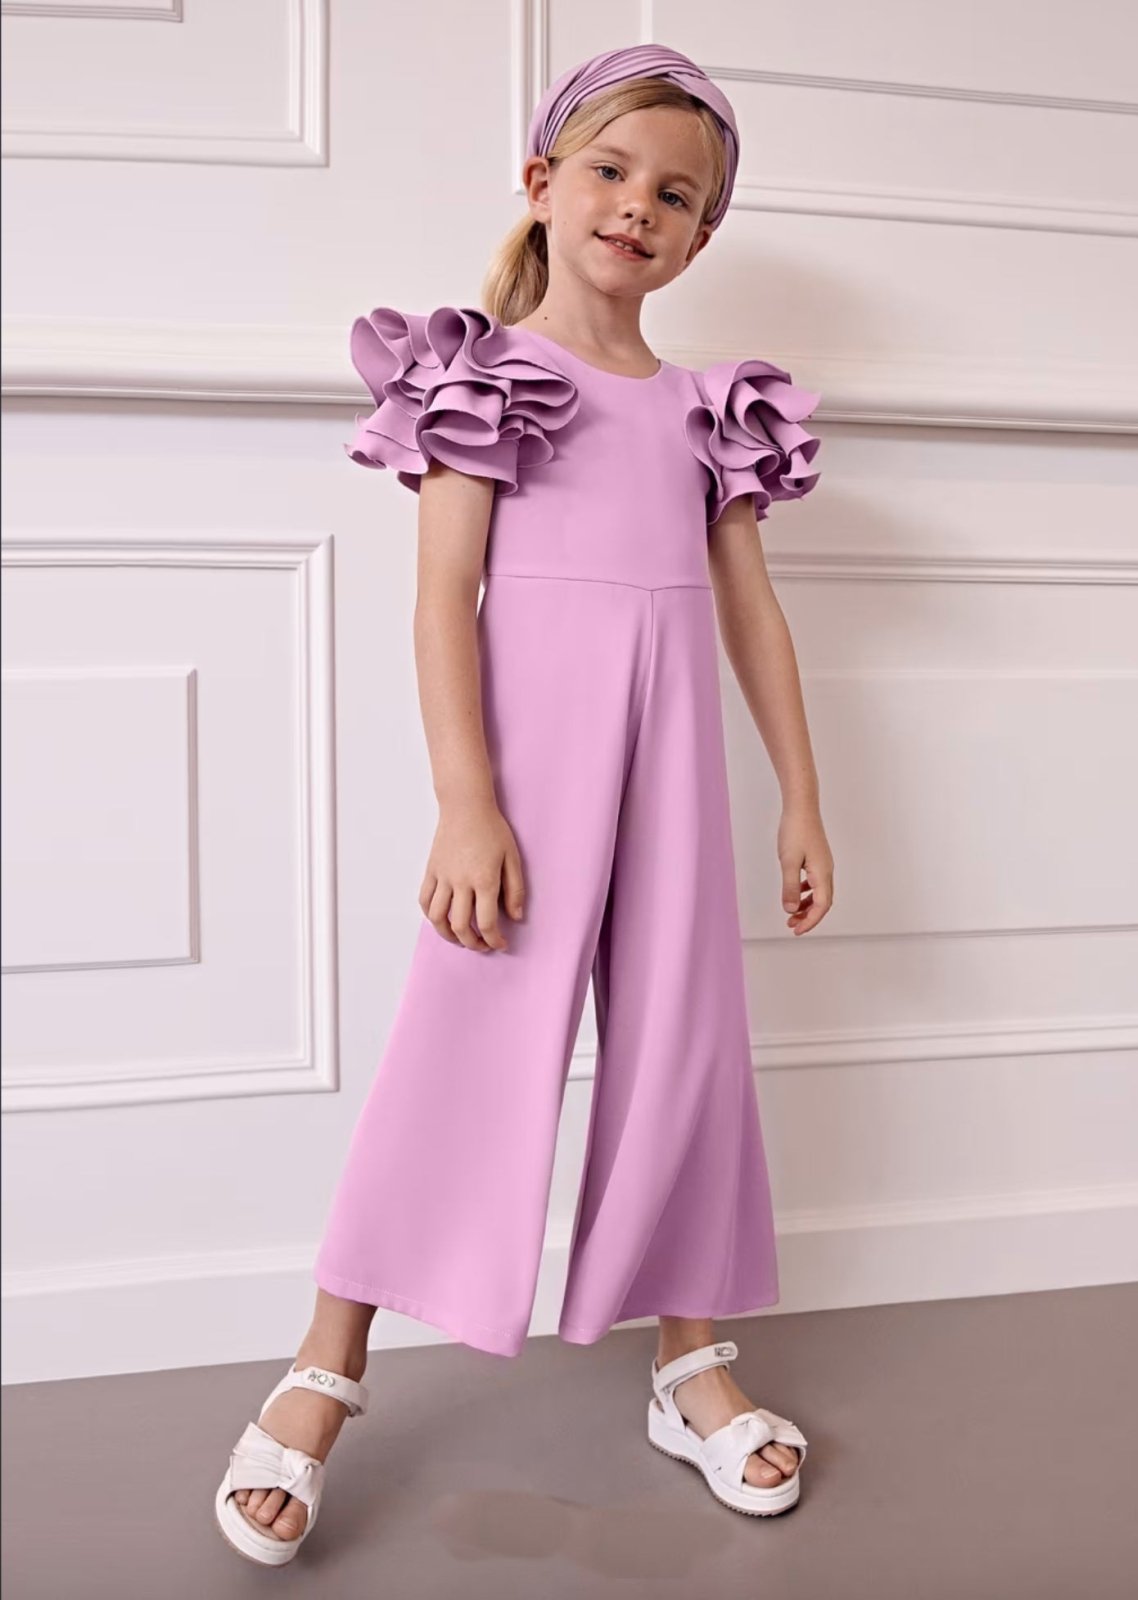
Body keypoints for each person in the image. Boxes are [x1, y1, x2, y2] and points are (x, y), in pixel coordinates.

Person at [215, 43, 833, 1565]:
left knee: (685, 1052)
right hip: (527, 778)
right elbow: (444, 601)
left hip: (676, 774)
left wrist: (800, 800)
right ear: (543, 180)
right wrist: (467, 804)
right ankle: (325, 1364)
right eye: (613, 171)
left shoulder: (709, 408)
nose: (639, 208)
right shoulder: (486, 376)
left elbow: (751, 615)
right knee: (465, 1042)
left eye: (676, 195)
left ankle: (688, 1360)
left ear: (702, 235)